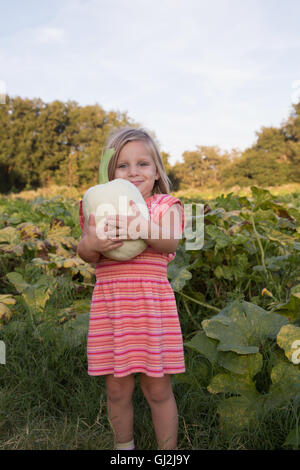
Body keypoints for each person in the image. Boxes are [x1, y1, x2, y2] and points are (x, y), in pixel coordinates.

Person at [77, 127, 185, 450]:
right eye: (123, 165)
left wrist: (141, 225)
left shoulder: (165, 206)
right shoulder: (98, 205)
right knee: (117, 391)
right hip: (113, 314)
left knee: (158, 391)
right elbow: (85, 252)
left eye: (143, 164)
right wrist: (92, 243)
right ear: (111, 173)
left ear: (156, 172)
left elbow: (170, 239)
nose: (134, 171)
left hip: (151, 313)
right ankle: (124, 450)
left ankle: (169, 453)